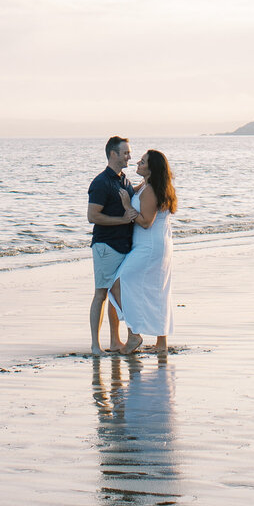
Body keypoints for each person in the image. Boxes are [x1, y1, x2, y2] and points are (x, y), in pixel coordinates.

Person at [109, 148, 176, 355]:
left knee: (117, 285)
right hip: (157, 244)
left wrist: (128, 206)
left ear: (152, 168)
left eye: (143, 161)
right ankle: (161, 343)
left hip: (149, 246)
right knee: (157, 290)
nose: (138, 163)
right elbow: (131, 190)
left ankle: (134, 334)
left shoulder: (151, 190)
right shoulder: (149, 186)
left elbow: (146, 222)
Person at [87, 135, 135, 355]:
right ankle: (96, 345)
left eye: (129, 152)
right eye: (125, 152)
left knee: (117, 296)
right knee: (101, 294)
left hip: (123, 246)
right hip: (106, 247)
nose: (129, 156)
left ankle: (115, 341)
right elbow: (93, 216)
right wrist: (122, 221)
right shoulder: (100, 183)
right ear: (113, 154)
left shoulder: (123, 180)